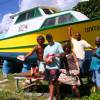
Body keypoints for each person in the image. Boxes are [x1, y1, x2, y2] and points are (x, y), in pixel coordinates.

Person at [43, 34, 64, 100]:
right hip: (48, 67)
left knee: (51, 82)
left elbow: (62, 54)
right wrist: (47, 60)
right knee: (55, 82)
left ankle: (51, 97)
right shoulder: (46, 48)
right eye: (48, 38)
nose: (49, 39)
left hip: (55, 67)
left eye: (50, 37)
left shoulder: (58, 45)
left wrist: (54, 55)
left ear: (52, 37)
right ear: (47, 39)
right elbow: (44, 57)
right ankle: (58, 95)